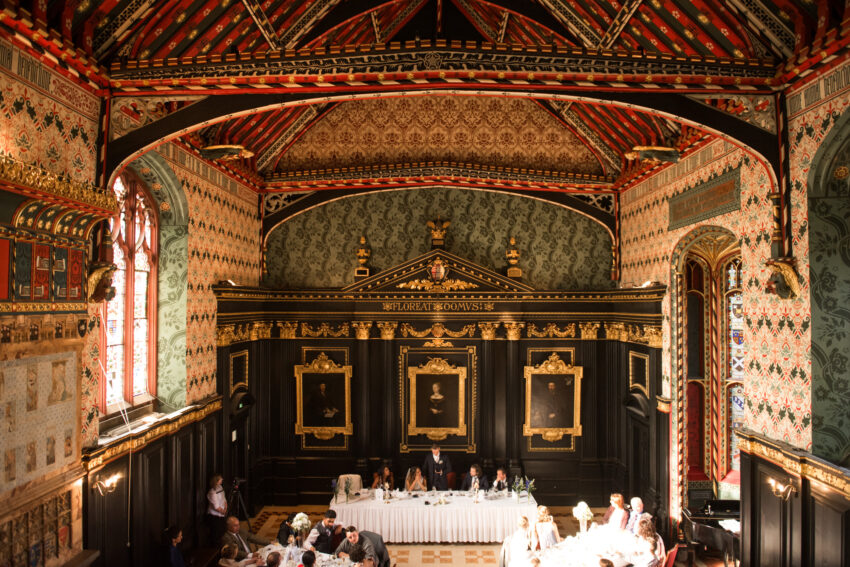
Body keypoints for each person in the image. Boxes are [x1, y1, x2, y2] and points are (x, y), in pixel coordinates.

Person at [207, 474, 227, 545]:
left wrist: (225, 508)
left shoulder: (220, 487)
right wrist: (223, 511)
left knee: (223, 532)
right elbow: (216, 506)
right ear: (216, 481)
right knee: (216, 534)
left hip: (222, 515)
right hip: (215, 516)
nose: (222, 480)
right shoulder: (212, 492)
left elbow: (224, 499)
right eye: (220, 479)